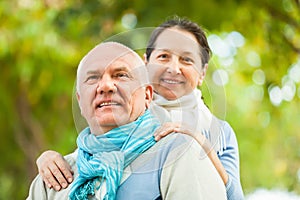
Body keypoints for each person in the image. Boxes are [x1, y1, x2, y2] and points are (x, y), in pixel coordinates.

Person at [35, 17, 244, 199]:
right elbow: (95, 149)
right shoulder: (126, 111)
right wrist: (48, 159)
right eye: (163, 56)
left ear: (202, 73)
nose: (173, 68)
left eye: (186, 60)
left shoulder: (218, 132)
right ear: (145, 64)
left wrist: (200, 143)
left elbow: (234, 197)